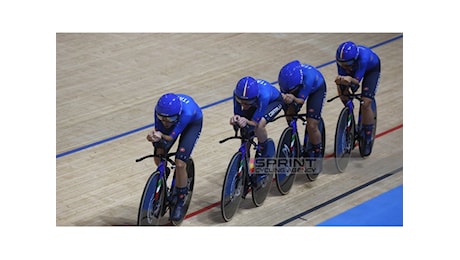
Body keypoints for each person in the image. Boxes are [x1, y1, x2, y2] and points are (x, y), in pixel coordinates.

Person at [146, 93, 203, 222]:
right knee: (159, 150)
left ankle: (180, 200)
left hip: (192, 124)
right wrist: (153, 137)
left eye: (170, 119)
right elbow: (159, 132)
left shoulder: (186, 113)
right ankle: (163, 173)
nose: (166, 122)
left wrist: (160, 135)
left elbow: (170, 137)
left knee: (180, 163)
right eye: (162, 118)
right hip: (176, 120)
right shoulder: (160, 112)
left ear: (177, 114)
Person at [278, 60, 327, 173]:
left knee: (312, 125)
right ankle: (296, 144)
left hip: (317, 89)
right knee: (289, 115)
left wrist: (293, 98)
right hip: (296, 89)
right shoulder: (285, 81)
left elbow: (300, 101)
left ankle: (317, 152)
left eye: (292, 90)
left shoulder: (307, 78)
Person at [334, 41, 380, 157]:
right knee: (341, 85)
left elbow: (356, 83)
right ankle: (349, 111)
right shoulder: (342, 61)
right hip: (355, 69)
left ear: (354, 59)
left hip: (371, 70)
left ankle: (367, 135)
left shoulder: (363, 58)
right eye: (341, 64)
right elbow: (343, 80)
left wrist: (349, 80)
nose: (344, 66)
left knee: (365, 103)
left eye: (347, 64)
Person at [229, 76, 283, 176]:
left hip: (273, 102)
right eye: (241, 102)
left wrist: (247, 120)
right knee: (245, 132)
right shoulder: (237, 94)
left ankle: (263, 150)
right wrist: (236, 119)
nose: (244, 105)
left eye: (247, 103)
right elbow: (239, 114)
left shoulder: (264, 95)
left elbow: (255, 122)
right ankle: (246, 162)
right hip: (255, 103)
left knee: (260, 125)